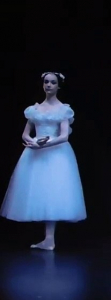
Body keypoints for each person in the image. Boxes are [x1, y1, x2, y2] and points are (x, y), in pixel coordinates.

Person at [1, 72, 86, 250]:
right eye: (46, 82)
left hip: (56, 154)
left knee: (53, 192)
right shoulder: (35, 109)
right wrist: (31, 141)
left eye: (52, 82)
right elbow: (25, 132)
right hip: (36, 153)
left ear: (58, 86)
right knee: (39, 192)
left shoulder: (63, 109)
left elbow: (64, 136)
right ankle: (48, 239)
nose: (48, 85)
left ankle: (50, 238)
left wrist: (45, 143)